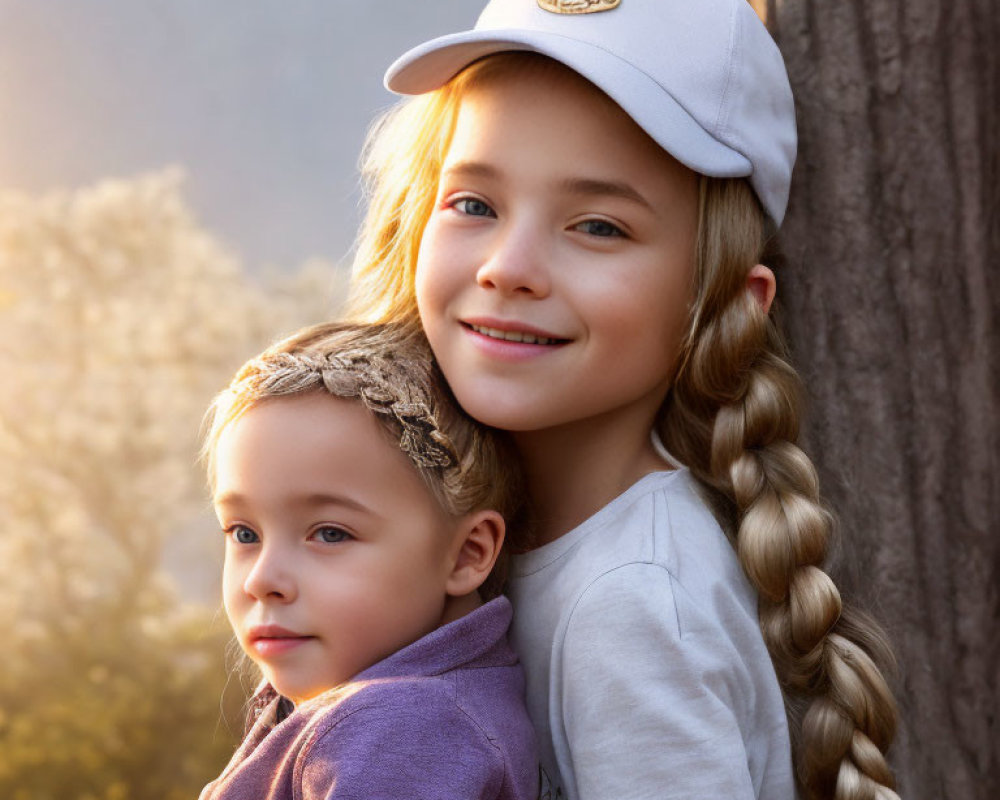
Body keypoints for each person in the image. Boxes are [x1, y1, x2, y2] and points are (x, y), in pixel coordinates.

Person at [345, 1, 900, 798]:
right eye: (473, 204)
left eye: (599, 226)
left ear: (730, 302)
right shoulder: (517, 553)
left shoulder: (632, 609)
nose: (510, 266)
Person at [198, 321, 538, 800]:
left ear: (467, 554)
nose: (261, 579)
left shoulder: (399, 734)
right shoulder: (412, 710)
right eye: (244, 533)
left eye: (330, 533)